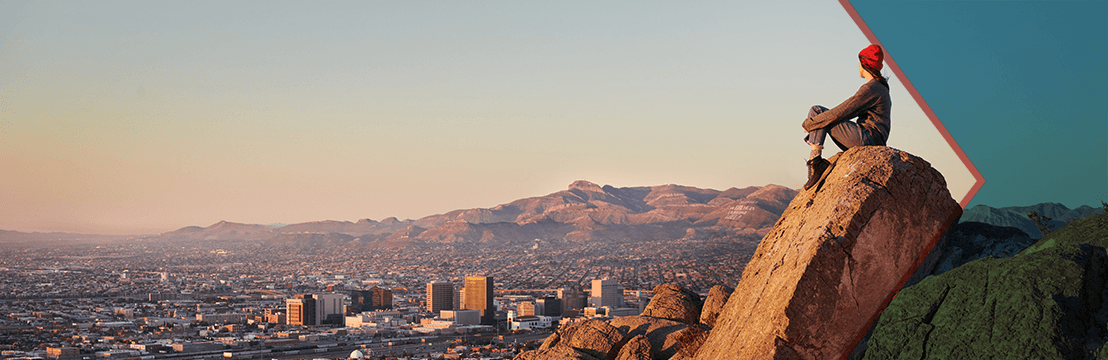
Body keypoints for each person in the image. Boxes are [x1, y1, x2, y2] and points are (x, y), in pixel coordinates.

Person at [801, 44, 892, 190]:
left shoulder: (871, 88)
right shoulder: (880, 87)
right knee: (820, 115)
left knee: (817, 111)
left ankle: (816, 162)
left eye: (859, 63)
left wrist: (810, 124)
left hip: (868, 140)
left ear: (863, 64)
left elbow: (841, 112)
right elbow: (846, 112)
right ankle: (816, 163)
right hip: (872, 139)